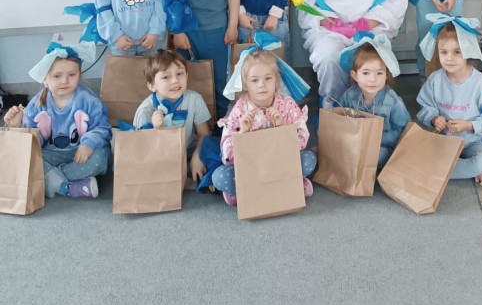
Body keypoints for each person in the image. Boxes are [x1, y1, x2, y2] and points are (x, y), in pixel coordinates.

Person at [3, 40, 111, 199]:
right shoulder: (37, 105)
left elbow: (102, 128)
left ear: (79, 75)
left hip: (81, 152)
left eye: (72, 75)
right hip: (51, 154)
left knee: (102, 157)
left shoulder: (88, 100)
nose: (65, 81)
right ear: (45, 79)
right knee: (29, 159)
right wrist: (16, 125)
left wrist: (88, 144)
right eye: (57, 76)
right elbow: (31, 142)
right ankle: (69, 187)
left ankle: (52, 180)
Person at [212, 38, 315, 205]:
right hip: (252, 170)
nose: (262, 85)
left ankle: (286, 185)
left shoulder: (287, 104)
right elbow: (227, 155)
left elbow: (301, 142)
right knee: (219, 176)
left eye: (268, 78)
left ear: (276, 81)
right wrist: (243, 134)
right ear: (246, 85)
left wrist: (282, 128)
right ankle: (250, 190)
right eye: (254, 80)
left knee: (308, 159)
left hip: (281, 165)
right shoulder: (240, 110)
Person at [416, 16, 482, 185]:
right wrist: (434, 118)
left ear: (468, 51)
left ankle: (435, 171)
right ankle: (467, 170)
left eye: (457, 52)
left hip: (474, 143)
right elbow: (425, 106)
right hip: (443, 141)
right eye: (444, 52)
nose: (449, 58)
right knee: (416, 148)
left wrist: (469, 125)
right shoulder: (435, 79)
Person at [133, 49, 212, 183]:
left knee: (216, 159)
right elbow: (144, 149)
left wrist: (197, 155)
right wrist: (156, 129)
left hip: (188, 151)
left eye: (180, 74)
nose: (175, 81)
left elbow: (203, 133)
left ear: (186, 76)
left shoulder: (195, 99)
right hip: (159, 155)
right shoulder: (145, 111)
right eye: (166, 77)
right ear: (152, 85)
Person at [338, 33, 411, 166]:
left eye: (379, 73)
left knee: (375, 156)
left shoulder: (393, 101)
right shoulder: (349, 95)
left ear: (386, 75)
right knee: (336, 150)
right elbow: (341, 121)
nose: (372, 79)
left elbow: (404, 130)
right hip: (356, 143)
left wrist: (376, 138)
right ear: (355, 75)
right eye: (366, 73)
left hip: (383, 147)